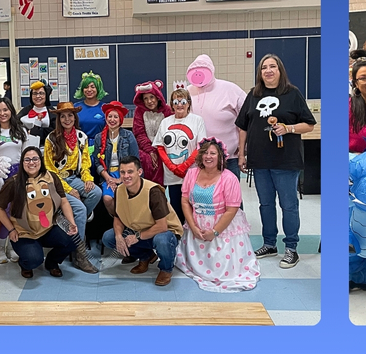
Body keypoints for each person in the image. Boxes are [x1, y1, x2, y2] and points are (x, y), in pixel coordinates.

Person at [236, 54, 316, 268]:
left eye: (273, 66)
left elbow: (309, 124)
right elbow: (243, 125)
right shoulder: (253, 95)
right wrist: (242, 153)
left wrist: (288, 128)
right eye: (264, 67)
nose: (268, 70)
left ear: (280, 70)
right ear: (259, 73)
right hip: (260, 160)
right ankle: (269, 243)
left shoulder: (292, 93)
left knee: (288, 205)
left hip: (286, 161)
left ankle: (291, 248)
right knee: (265, 204)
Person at [176, 138, 260, 292]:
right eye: (205, 153)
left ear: (221, 156)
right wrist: (193, 227)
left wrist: (215, 232)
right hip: (197, 224)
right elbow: (185, 201)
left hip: (222, 226)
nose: (208, 156)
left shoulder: (229, 178)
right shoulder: (192, 173)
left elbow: (232, 209)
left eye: (213, 153)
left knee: (222, 268)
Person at [0, 147, 79, 279]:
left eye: (35, 159)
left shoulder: (51, 177)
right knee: (34, 259)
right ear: (22, 162)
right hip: (25, 233)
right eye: (27, 160)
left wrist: (72, 223)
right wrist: (11, 230)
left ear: (41, 160)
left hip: (47, 228)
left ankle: (52, 263)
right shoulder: (14, 183)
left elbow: (64, 201)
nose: (31, 163)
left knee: (73, 239)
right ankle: (25, 264)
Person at [101, 156, 182, 287]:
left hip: (164, 231)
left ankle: (166, 269)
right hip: (138, 229)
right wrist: (118, 236)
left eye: (130, 172)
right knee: (109, 238)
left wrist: (137, 237)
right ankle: (146, 256)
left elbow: (162, 226)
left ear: (139, 172)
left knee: (162, 240)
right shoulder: (119, 190)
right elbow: (118, 217)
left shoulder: (153, 191)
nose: (126, 176)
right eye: (122, 172)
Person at [43, 101, 102, 248]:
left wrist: (88, 179)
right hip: (55, 182)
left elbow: (85, 164)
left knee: (96, 192)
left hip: (73, 178)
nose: (67, 119)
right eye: (63, 116)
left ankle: (69, 219)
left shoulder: (81, 137)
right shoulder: (51, 139)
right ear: (59, 119)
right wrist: (68, 190)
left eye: (70, 115)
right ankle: (79, 250)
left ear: (75, 118)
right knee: (81, 209)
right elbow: (50, 171)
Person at [0, 97, 34, 263]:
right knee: (3, 212)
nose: (2, 113)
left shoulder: (20, 130)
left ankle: (12, 247)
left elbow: (28, 155)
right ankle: (0, 248)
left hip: (19, 174)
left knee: (17, 212)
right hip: (0, 175)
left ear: (11, 111)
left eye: (5, 110)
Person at [185, 54, 246, 178]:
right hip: (199, 159)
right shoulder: (188, 92)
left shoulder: (231, 89)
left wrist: (244, 148)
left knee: (231, 196)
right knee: (202, 195)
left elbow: (247, 120)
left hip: (229, 158)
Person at [156, 88, 207, 222]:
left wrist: (184, 166)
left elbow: (200, 146)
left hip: (191, 172)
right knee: (176, 206)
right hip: (172, 175)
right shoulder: (165, 122)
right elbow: (160, 146)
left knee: (193, 207)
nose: (179, 105)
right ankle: (178, 238)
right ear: (171, 104)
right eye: (176, 101)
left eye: (183, 101)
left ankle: (193, 238)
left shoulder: (197, 120)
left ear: (189, 103)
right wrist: (172, 167)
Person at [94, 101, 138, 217]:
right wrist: (108, 179)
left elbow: (135, 160)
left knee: (126, 198)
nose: (112, 119)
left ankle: (128, 222)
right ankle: (119, 219)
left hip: (126, 174)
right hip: (108, 175)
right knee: (108, 199)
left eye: (115, 117)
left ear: (120, 119)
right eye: (110, 116)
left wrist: (121, 179)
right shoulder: (99, 137)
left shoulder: (128, 136)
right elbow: (97, 162)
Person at [132, 80, 174, 184]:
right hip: (146, 149)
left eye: (151, 97)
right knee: (143, 159)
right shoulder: (139, 111)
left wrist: (158, 150)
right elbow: (139, 133)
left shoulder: (167, 111)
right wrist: (150, 151)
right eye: (145, 98)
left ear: (157, 97)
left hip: (164, 148)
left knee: (163, 160)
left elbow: (171, 132)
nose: (149, 101)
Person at [18, 81, 54, 147]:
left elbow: (55, 131)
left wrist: (37, 132)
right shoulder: (25, 110)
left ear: (46, 95)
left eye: (41, 93)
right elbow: (16, 124)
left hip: (47, 147)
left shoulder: (52, 111)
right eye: (35, 93)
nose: (38, 96)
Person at [74, 71, 108, 142]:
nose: (89, 90)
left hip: (100, 145)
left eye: (92, 87)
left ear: (98, 89)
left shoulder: (105, 108)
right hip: (79, 145)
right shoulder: (76, 107)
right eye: (86, 87)